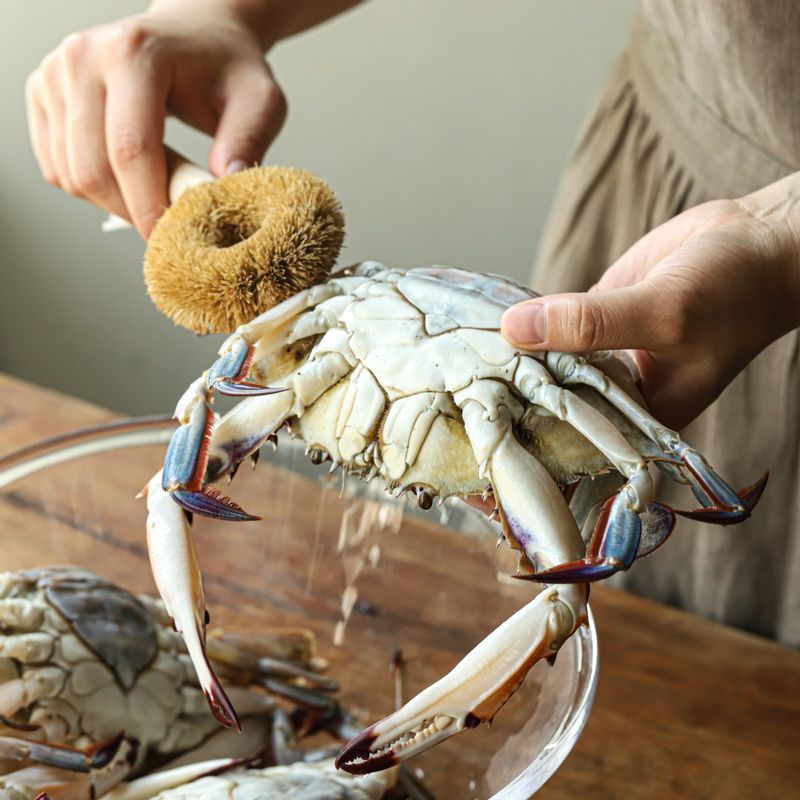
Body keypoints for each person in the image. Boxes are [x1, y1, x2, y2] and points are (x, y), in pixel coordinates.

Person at [26, 0, 800, 644]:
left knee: (604, 575)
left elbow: (647, 468)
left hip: (745, 269)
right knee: (180, 476)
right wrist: (222, 11)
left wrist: (778, 236)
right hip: (672, 184)